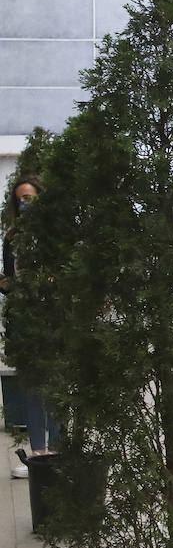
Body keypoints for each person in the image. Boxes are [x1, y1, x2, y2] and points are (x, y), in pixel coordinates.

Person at [3, 177, 59, 478]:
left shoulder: (54, 235)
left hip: (52, 316)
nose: (25, 204)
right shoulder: (12, 238)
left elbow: (63, 273)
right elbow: (14, 280)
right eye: (21, 199)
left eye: (30, 198)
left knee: (55, 386)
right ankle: (38, 452)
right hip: (25, 317)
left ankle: (59, 448)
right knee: (32, 387)